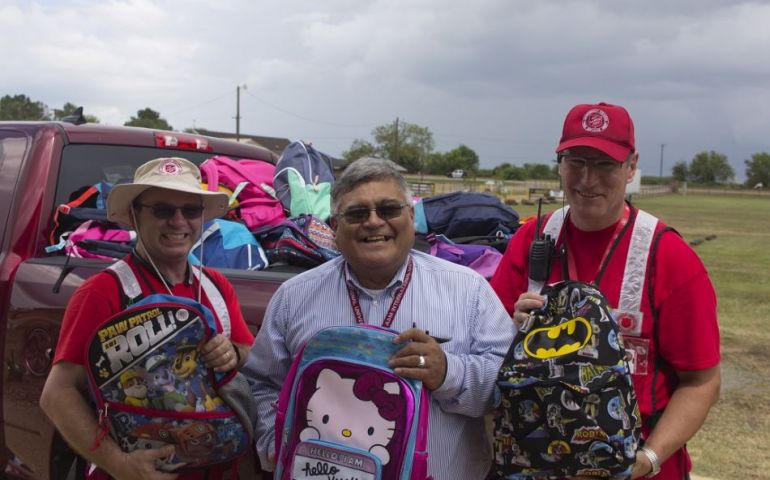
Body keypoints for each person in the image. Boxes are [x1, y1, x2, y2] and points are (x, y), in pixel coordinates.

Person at [243, 157, 515, 479]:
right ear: (334, 227)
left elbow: (508, 384)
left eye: (388, 209)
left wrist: (447, 372)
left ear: (411, 217)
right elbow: (261, 382)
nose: (374, 222)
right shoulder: (294, 297)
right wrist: (274, 441)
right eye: (357, 214)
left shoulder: (468, 290)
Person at [490, 102, 721, 479]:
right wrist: (510, 332)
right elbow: (485, 350)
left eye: (605, 164)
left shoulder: (668, 256)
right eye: (576, 161)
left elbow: (703, 380)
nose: (587, 179)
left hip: (635, 466)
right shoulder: (530, 241)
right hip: (535, 463)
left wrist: (649, 459)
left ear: (631, 167)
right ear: (559, 163)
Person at [40, 157, 254, 480]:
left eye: (191, 210)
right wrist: (119, 464)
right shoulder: (103, 292)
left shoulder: (216, 286)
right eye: (163, 210)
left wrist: (233, 353)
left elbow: (249, 352)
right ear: (134, 216)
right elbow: (57, 395)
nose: (179, 221)